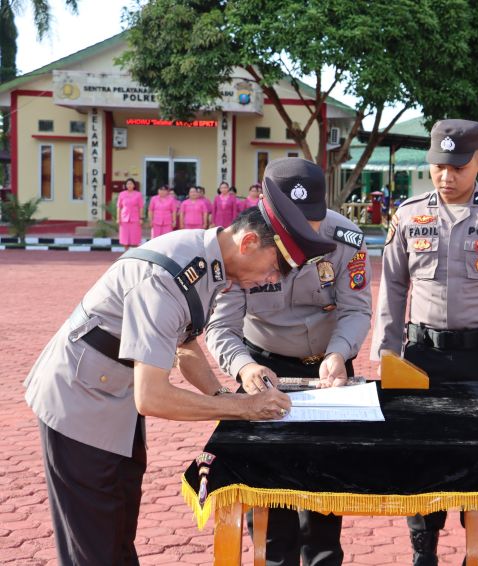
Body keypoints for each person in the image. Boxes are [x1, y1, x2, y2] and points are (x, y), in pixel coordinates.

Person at [24, 179, 337, 566]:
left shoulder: (208, 266)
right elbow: (153, 396)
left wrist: (225, 397)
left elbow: (185, 347)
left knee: (119, 534)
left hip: (115, 403)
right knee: (94, 547)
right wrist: (244, 409)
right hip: (79, 403)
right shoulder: (169, 277)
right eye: (276, 269)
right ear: (249, 243)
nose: (273, 281)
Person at [370, 119, 478, 566]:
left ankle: (477, 552)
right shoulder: (409, 215)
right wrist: (386, 348)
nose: (447, 176)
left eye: (459, 167)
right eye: (439, 166)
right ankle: (423, 551)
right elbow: (391, 286)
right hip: (422, 354)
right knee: (423, 454)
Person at [206, 157, 372, 566]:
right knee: (268, 490)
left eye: (312, 221)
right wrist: (244, 368)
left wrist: (339, 353)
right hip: (263, 368)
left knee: (326, 489)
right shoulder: (241, 242)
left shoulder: (346, 239)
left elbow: (355, 309)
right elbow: (222, 328)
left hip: (329, 370)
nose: (306, 232)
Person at [116, 178, 143, 248]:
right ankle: (126, 252)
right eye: (128, 184)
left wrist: (141, 218)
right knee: (125, 237)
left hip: (135, 218)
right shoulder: (122, 194)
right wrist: (118, 218)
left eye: (131, 184)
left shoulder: (138, 194)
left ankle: (134, 254)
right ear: (125, 185)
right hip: (124, 218)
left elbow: (141, 207)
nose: (129, 185)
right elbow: (119, 207)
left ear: (134, 185)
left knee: (135, 237)